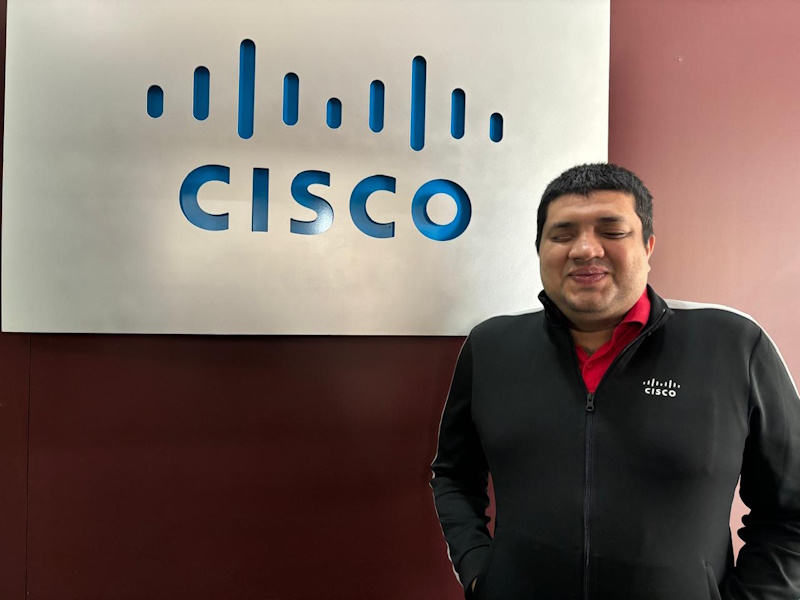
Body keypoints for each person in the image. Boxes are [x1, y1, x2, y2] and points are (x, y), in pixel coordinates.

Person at [430, 163, 800, 599]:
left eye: (612, 230)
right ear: (540, 249)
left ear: (648, 246)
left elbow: (790, 509)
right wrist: (479, 571)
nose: (585, 249)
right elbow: (453, 474)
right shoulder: (491, 346)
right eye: (562, 234)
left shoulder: (734, 343)